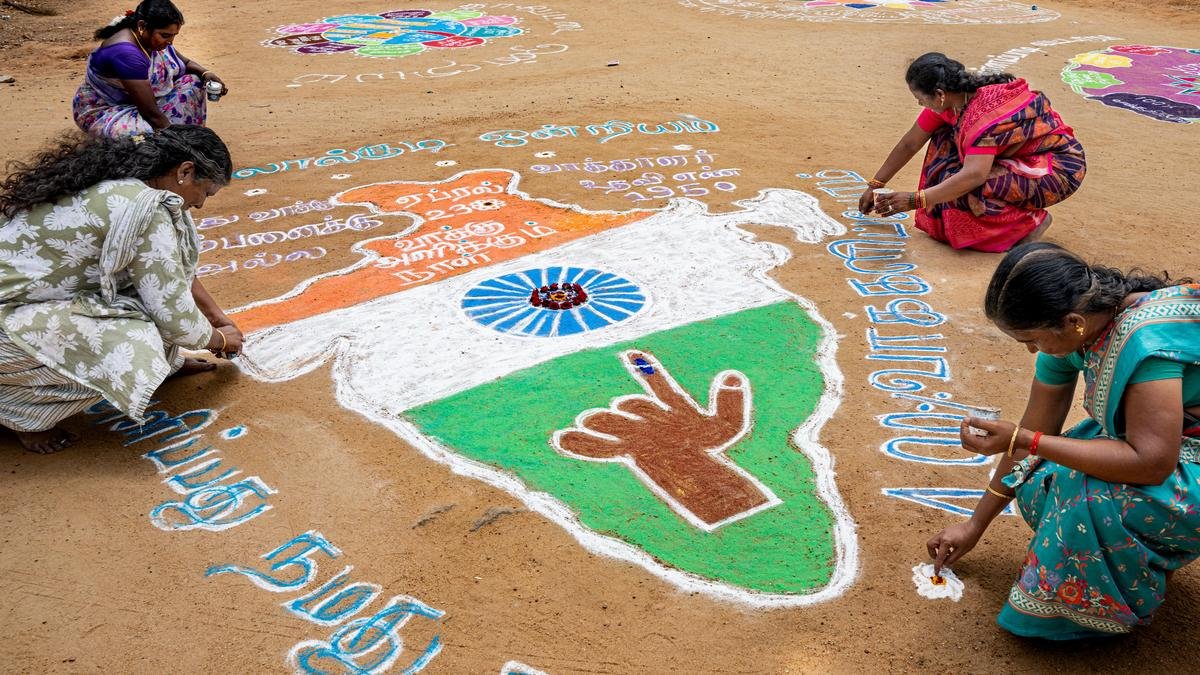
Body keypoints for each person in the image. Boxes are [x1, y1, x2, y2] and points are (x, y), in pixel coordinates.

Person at [927, 242, 1200, 639]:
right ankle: (1138, 561)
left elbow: (1152, 462)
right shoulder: (1082, 329)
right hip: (1170, 446)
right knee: (1036, 476)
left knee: (1085, 494)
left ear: (1073, 322)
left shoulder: (1145, 343)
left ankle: (1095, 609)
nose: (1032, 350)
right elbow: (1028, 440)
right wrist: (974, 524)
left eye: (1032, 339)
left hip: (1174, 458)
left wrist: (1029, 440)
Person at [0, 125, 243, 454]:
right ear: (185, 172)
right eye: (206, 192)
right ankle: (18, 410)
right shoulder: (146, 209)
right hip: (6, 320)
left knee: (141, 298)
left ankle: (165, 366)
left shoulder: (130, 184)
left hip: (21, 304)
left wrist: (216, 318)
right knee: (131, 347)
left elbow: (173, 271)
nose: (200, 204)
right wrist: (221, 340)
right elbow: (175, 315)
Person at [859, 53, 1086, 252]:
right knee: (944, 154)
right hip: (1017, 160)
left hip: (1056, 168)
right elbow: (910, 143)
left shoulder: (982, 120)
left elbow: (974, 175)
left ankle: (1029, 222)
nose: (920, 104)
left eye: (920, 99)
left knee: (964, 192)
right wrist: (875, 184)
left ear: (939, 94)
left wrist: (915, 200)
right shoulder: (952, 103)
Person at [72, 0, 227, 138]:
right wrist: (180, 142)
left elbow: (185, 63)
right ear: (142, 26)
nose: (170, 42)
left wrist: (206, 73)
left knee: (193, 82)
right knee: (147, 136)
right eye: (165, 35)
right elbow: (152, 114)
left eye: (174, 35)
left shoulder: (149, 40)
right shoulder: (126, 52)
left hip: (142, 103)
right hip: (105, 110)